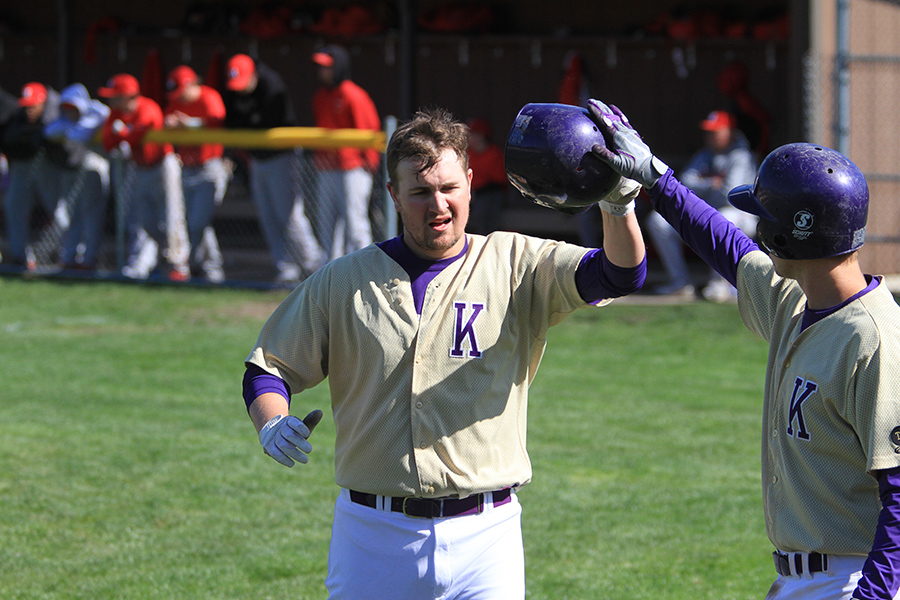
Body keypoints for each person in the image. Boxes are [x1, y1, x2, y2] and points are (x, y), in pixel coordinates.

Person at [240, 107, 647, 599]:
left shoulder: (517, 262)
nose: (438, 204)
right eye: (419, 192)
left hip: (486, 535)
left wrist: (618, 206)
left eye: (450, 188)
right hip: (373, 534)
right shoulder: (342, 280)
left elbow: (619, 274)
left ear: (471, 182)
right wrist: (271, 422)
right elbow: (269, 368)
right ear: (392, 194)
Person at [589, 98, 900, 600]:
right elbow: (726, 246)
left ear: (789, 232)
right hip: (802, 579)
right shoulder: (797, 299)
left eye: (763, 217)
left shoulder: (876, 340)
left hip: (853, 581)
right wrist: (653, 175)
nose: (755, 227)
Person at [223, 53, 325, 284]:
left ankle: (314, 266)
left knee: (288, 215)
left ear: (254, 75)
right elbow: (232, 122)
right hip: (257, 159)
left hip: (282, 157)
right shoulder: (232, 90)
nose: (239, 90)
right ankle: (285, 268)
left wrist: (250, 125)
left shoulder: (272, 84)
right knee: (267, 214)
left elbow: (275, 120)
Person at [644, 109, 757, 300]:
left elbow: (729, 194)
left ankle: (720, 285)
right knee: (658, 221)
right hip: (707, 213)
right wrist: (711, 182)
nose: (710, 136)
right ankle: (680, 283)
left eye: (715, 131)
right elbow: (685, 182)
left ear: (729, 131)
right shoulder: (704, 154)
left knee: (724, 220)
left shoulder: (742, 156)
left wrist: (702, 184)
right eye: (708, 132)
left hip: (740, 216)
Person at [99, 73, 191, 281]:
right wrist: (124, 133)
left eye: (115, 95)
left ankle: (179, 266)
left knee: (171, 217)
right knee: (144, 221)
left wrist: (122, 133)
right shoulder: (116, 113)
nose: (111, 99)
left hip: (163, 166)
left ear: (128, 96)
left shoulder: (147, 107)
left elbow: (135, 136)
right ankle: (165, 257)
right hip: (140, 168)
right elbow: (107, 142)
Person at [310, 44, 381, 260]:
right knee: (327, 226)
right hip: (327, 168)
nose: (323, 72)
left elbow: (370, 131)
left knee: (355, 223)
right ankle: (330, 277)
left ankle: (365, 269)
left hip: (353, 168)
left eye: (328, 67)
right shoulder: (320, 96)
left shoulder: (354, 95)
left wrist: (369, 166)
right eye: (321, 67)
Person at [164, 65, 229, 283]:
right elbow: (166, 119)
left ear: (192, 84)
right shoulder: (176, 101)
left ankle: (206, 266)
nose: (178, 97)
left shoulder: (209, 96)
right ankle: (208, 269)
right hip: (185, 167)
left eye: (181, 91)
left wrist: (190, 124)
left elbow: (217, 121)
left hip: (209, 167)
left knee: (199, 221)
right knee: (196, 222)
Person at [43, 83, 111, 271]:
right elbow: (50, 131)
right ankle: (70, 257)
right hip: (76, 168)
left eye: (74, 108)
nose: (70, 113)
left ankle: (90, 259)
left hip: (96, 166)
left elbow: (80, 133)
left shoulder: (96, 111)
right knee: (74, 214)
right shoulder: (67, 121)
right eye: (67, 109)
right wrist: (70, 127)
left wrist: (73, 128)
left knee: (92, 215)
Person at [2, 82, 60, 269]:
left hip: (47, 164)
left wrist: (34, 134)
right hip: (22, 165)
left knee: (57, 207)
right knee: (14, 206)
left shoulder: (54, 111)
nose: (29, 110)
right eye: (27, 106)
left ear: (43, 103)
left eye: (33, 106)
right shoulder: (17, 116)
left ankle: (71, 254)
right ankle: (20, 258)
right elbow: (9, 137)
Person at [465, 117, 507, 235]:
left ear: (481, 136)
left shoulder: (493, 153)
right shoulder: (468, 154)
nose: (469, 138)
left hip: (490, 193)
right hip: (471, 192)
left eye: (473, 134)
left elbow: (500, 180)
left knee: (484, 209)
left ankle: (486, 238)